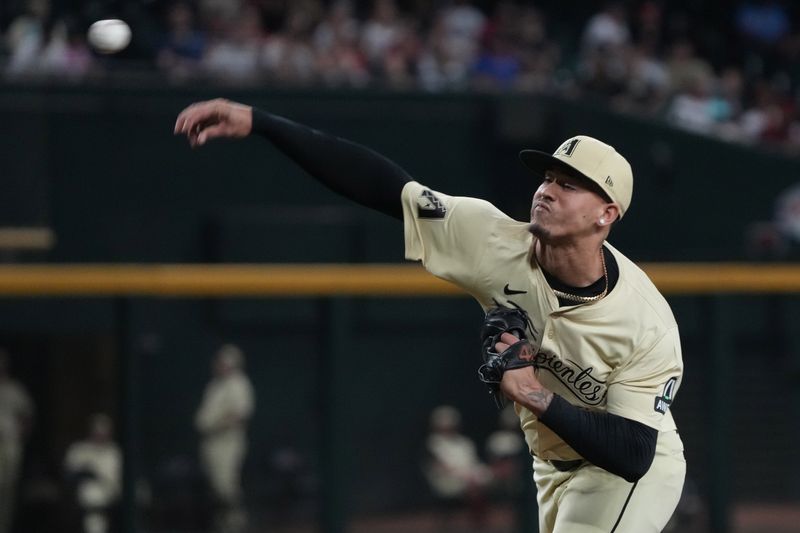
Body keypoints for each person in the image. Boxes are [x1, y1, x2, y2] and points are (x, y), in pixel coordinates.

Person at [174, 98, 686, 532]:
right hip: (550, 467)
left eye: (570, 184)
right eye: (548, 176)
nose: (547, 189)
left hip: (626, 470)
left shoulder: (646, 323)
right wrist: (262, 123)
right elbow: (382, 186)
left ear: (607, 213)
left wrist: (532, 393)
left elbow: (634, 452)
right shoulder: (493, 239)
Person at [194, 343, 254, 533]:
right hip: (211, 442)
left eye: (224, 362)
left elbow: (239, 415)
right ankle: (224, 524)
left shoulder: (239, 384)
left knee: (226, 485)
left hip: (228, 442)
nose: (219, 365)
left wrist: (215, 425)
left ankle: (236, 524)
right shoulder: (215, 385)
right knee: (216, 486)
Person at [422, 405, 491, 528]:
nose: (447, 427)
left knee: (481, 480)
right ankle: (477, 523)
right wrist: (464, 476)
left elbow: (474, 464)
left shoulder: (464, 442)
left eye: (450, 424)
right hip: (447, 481)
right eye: (443, 425)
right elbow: (440, 468)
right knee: (473, 488)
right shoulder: (433, 443)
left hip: (470, 477)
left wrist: (473, 475)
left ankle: (479, 523)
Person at [63, 413, 122, 533]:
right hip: (89, 497)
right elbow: (69, 475)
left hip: (113, 495)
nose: (100, 436)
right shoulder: (79, 450)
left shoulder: (115, 452)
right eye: (97, 432)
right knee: (93, 495)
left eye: (104, 433)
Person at [0, 349, 35, 533]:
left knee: (6, 490)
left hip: (9, 445)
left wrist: (19, 436)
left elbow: (27, 416)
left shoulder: (14, 389)